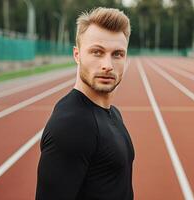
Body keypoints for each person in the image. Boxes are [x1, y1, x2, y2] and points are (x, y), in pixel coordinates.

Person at [35, 7, 135, 200]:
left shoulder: (113, 113)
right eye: (97, 52)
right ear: (77, 55)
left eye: (117, 54)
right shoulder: (71, 125)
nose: (107, 65)